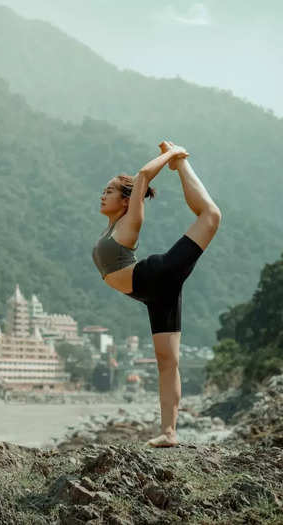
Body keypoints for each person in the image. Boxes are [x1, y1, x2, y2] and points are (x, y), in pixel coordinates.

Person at [92, 141, 221, 447]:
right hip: (153, 294)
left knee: (211, 216)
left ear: (126, 200)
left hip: (157, 275)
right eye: (105, 189)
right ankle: (169, 432)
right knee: (167, 363)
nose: (103, 193)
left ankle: (182, 163)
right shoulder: (110, 228)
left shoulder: (130, 220)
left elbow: (143, 175)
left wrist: (171, 156)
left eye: (110, 190)